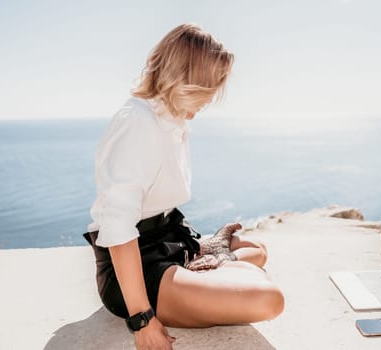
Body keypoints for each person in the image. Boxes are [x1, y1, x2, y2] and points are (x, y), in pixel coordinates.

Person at [83, 23, 285, 350]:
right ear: (188, 80)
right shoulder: (139, 123)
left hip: (167, 241)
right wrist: (142, 320)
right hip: (139, 266)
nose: (211, 99)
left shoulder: (170, 117)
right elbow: (117, 228)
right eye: (210, 88)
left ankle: (205, 259)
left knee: (256, 252)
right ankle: (205, 268)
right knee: (269, 299)